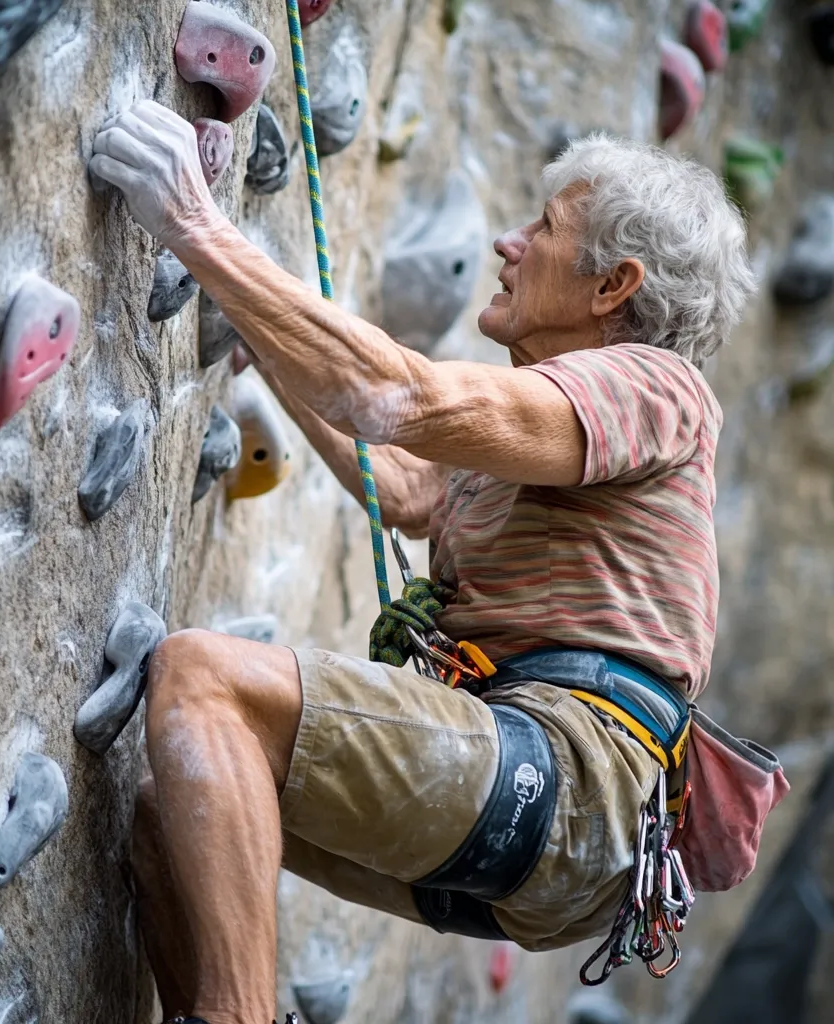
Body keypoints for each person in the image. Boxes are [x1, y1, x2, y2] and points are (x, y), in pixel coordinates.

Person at [89, 101, 756, 1024]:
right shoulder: (539, 432)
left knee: (202, 683)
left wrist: (196, 224)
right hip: (543, 834)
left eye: (545, 229)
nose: (506, 242)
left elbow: (390, 395)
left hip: (568, 781)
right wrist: (261, 319)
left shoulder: (653, 385)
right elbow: (404, 485)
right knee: (178, 804)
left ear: (615, 288)